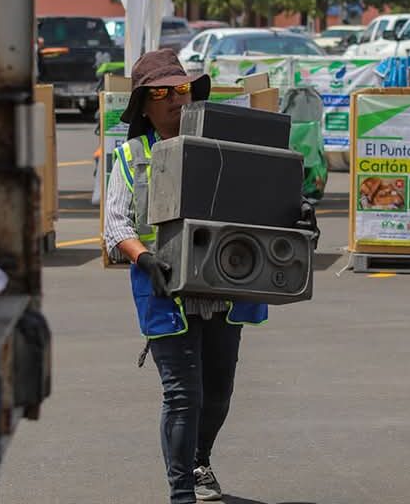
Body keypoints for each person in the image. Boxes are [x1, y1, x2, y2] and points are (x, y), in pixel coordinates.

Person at [103, 49, 315, 503]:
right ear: (144, 104)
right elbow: (115, 227)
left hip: (225, 281)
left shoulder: (229, 147)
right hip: (163, 285)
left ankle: (200, 460)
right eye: (161, 92)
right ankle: (181, 494)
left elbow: (268, 204)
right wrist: (144, 259)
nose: (174, 100)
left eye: (180, 89)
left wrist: (297, 214)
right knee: (183, 394)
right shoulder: (129, 156)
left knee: (218, 390)